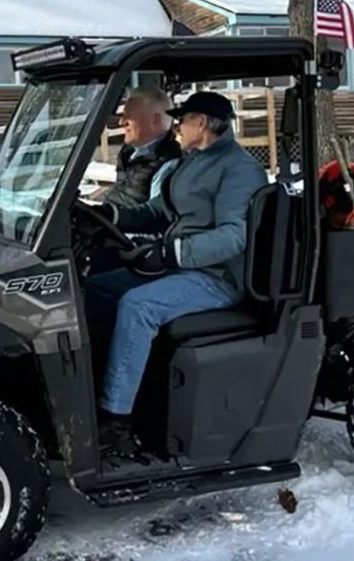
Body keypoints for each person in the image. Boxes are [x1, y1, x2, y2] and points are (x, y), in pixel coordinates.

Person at [85, 91, 268, 454]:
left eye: (182, 120)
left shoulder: (238, 169)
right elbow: (160, 210)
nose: (177, 127)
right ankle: (93, 388)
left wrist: (171, 253)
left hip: (218, 278)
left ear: (201, 124)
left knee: (139, 306)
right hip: (184, 267)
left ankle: (115, 421)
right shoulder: (193, 160)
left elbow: (236, 235)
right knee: (93, 291)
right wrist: (112, 215)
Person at [104, 86, 182, 207]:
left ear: (155, 120)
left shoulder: (168, 164)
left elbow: (155, 217)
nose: (121, 122)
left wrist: (112, 216)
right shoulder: (128, 152)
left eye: (129, 114)